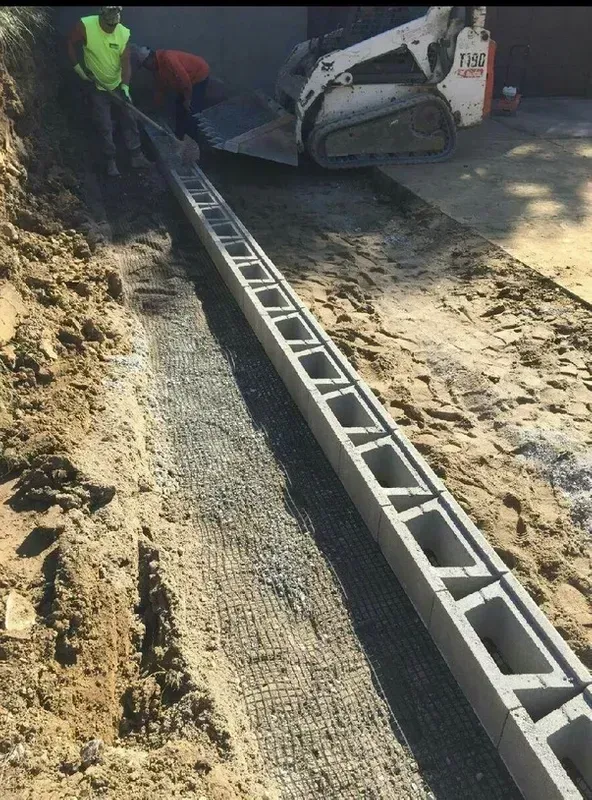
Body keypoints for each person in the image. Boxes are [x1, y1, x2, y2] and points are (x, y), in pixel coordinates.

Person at [67, 6, 151, 177]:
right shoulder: (85, 26)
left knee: (129, 118)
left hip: (117, 85)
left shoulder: (123, 33)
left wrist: (125, 87)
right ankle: (110, 161)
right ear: (101, 17)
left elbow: (126, 63)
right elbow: (70, 43)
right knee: (104, 124)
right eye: (108, 25)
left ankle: (136, 156)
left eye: (114, 25)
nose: (112, 28)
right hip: (97, 87)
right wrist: (78, 68)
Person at [135, 46, 210, 142]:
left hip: (198, 76)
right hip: (184, 84)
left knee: (192, 110)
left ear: (151, 58)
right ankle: (179, 137)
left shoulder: (168, 58)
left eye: (145, 65)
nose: (146, 68)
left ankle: (194, 142)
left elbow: (184, 80)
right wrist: (155, 107)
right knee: (179, 108)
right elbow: (160, 89)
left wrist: (188, 99)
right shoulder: (156, 69)